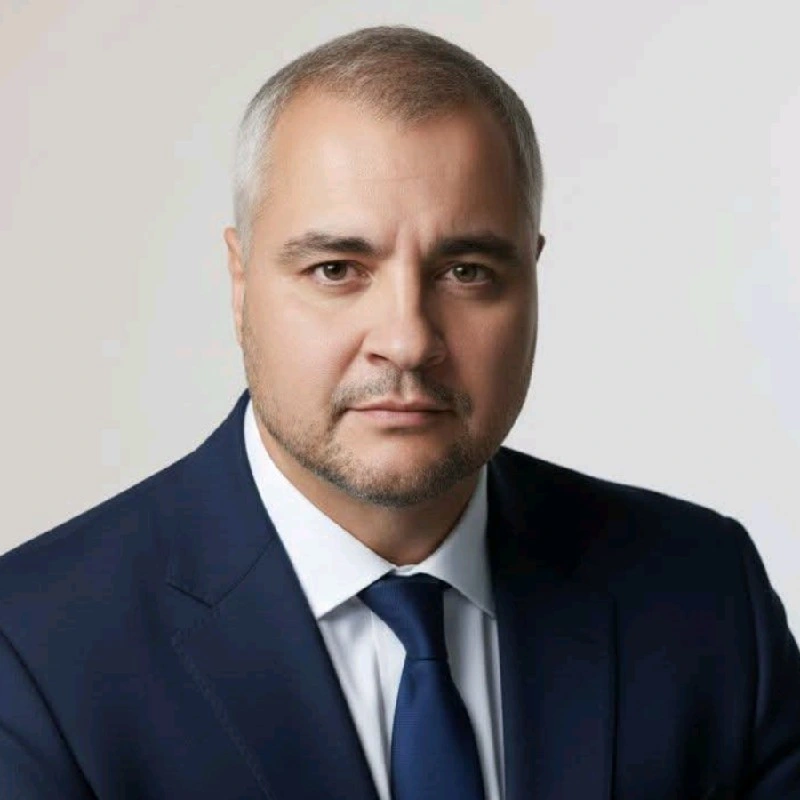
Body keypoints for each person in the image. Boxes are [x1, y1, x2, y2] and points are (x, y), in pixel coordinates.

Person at [1, 24, 798, 800]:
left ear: (532, 277)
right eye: (337, 269)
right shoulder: (34, 651)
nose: (408, 340)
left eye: (467, 271)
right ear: (240, 283)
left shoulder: (705, 594)